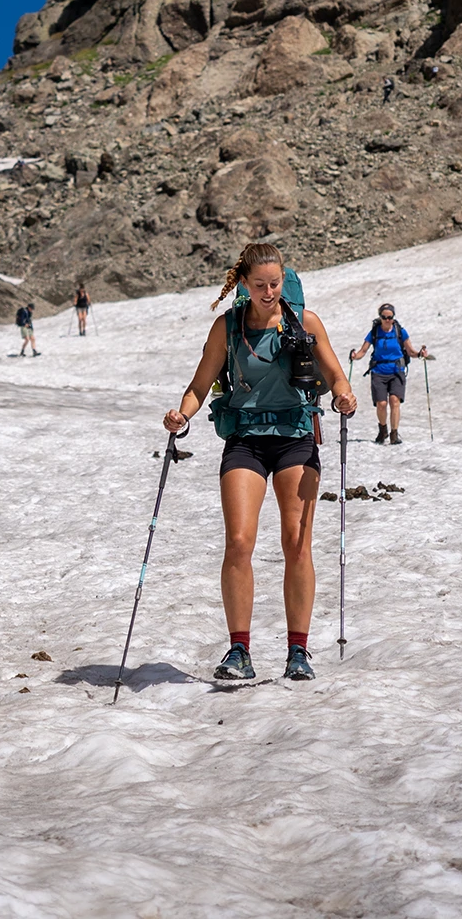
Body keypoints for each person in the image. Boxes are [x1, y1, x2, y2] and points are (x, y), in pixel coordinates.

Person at [162, 243, 358, 682]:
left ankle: (298, 651)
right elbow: (199, 385)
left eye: (275, 284)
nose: (269, 292)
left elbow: (335, 375)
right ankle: (239, 650)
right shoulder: (227, 328)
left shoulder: (304, 323)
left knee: (296, 542)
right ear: (243, 285)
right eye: (259, 285)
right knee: (239, 541)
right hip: (246, 440)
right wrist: (181, 414)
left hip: (295, 438)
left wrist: (344, 395)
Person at [349, 303, 428, 445]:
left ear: (393, 317)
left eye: (389, 317)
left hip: (396, 371)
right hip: (378, 371)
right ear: (380, 317)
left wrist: (420, 354)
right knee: (381, 403)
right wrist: (355, 356)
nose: (387, 320)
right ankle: (383, 429)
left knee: (394, 401)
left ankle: (394, 434)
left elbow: (410, 351)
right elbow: (363, 351)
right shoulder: (374, 332)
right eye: (384, 317)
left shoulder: (400, 332)